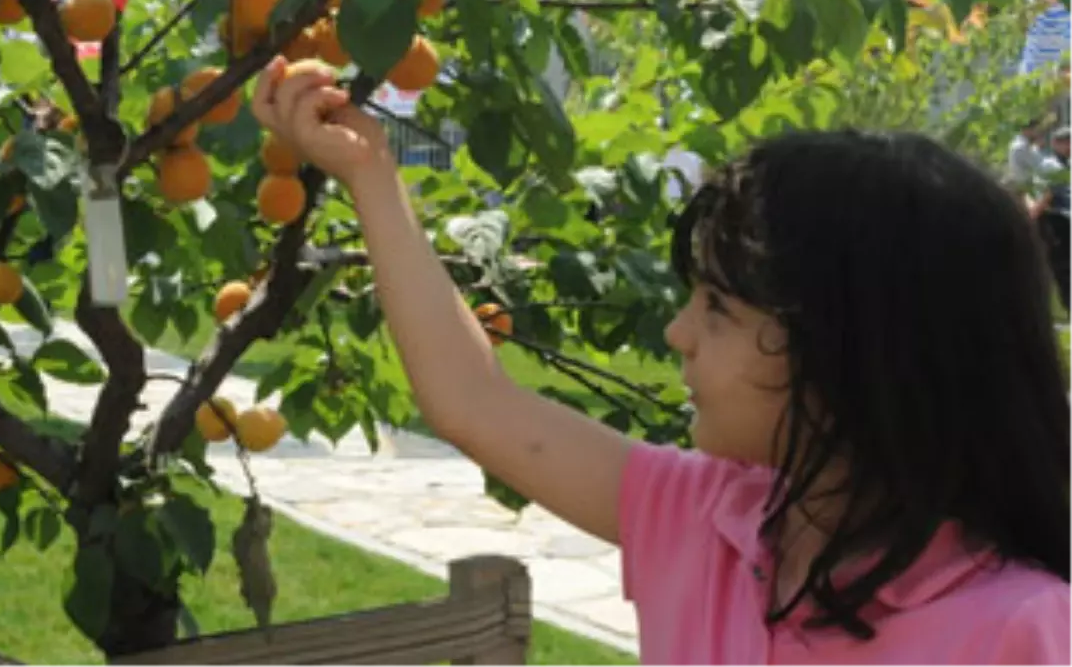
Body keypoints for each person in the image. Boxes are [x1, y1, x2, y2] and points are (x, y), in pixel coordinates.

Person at [251, 57, 1072, 666]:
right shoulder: (711, 527)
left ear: (853, 352)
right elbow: (473, 400)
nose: (678, 334)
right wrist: (369, 173)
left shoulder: (1022, 631)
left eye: (718, 308)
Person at [1034, 127, 1072, 315]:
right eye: (1067, 142)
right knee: (1065, 268)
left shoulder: (1066, 164)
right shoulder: (1050, 165)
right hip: (1058, 222)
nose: (1070, 146)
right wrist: (1032, 216)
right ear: (1055, 143)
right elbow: (1046, 195)